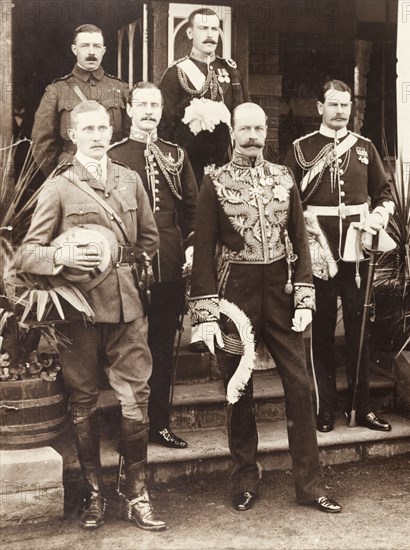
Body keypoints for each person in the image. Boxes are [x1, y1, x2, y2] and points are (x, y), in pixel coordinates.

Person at [20, 101, 166, 531]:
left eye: (104, 127)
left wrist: (128, 262)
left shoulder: (129, 178)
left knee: (135, 398)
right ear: (73, 133)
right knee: (82, 399)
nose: (98, 135)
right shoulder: (60, 185)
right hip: (77, 310)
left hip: (127, 308)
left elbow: (150, 240)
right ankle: (94, 494)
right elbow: (28, 251)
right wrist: (62, 254)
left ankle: (136, 494)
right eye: (89, 128)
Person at [188, 102, 341, 514]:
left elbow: (300, 239)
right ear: (233, 132)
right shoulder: (214, 181)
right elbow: (203, 247)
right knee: (239, 386)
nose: (253, 136)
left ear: (266, 131)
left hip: (281, 290)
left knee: (300, 384)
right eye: (246, 129)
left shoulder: (284, 177)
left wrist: (306, 296)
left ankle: (310, 485)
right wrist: (204, 313)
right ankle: (245, 479)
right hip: (234, 294)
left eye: (259, 129)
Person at [284, 80, 394, 434]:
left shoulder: (364, 147)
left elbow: (384, 193)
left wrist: (378, 217)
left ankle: (362, 408)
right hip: (318, 252)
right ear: (320, 108)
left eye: (345, 105)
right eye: (333, 104)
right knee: (322, 334)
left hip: (357, 253)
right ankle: (325, 406)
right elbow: (287, 201)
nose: (340, 110)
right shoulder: (302, 150)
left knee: (361, 329)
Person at [109, 82, 199, 449]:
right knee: (127, 345)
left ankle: (159, 423)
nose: (149, 111)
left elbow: (193, 207)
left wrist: (190, 247)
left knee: (163, 344)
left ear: (162, 110)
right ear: (129, 110)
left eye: (155, 105)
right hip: (128, 261)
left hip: (170, 257)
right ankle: (129, 430)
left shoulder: (176, 155)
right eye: (141, 104)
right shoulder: (114, 156)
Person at [158, 7, 250, 186]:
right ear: (190, 32)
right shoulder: (176, 73)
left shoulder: (232, 71)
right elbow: (165, 125)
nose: (210, 34)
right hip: (190, 166)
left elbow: (246, 113)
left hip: (229, 162)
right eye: (203, 28)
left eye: (214, 29)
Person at [31, 24, 129, 177]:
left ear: (103, 50)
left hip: (112, 173)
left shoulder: (120, 88)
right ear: (74, 49)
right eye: (84, 46)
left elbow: (130, 137)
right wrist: (60, 176)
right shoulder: (57, 90)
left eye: (96, 46)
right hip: (71, 174)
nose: (91, 52)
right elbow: (42, 142)